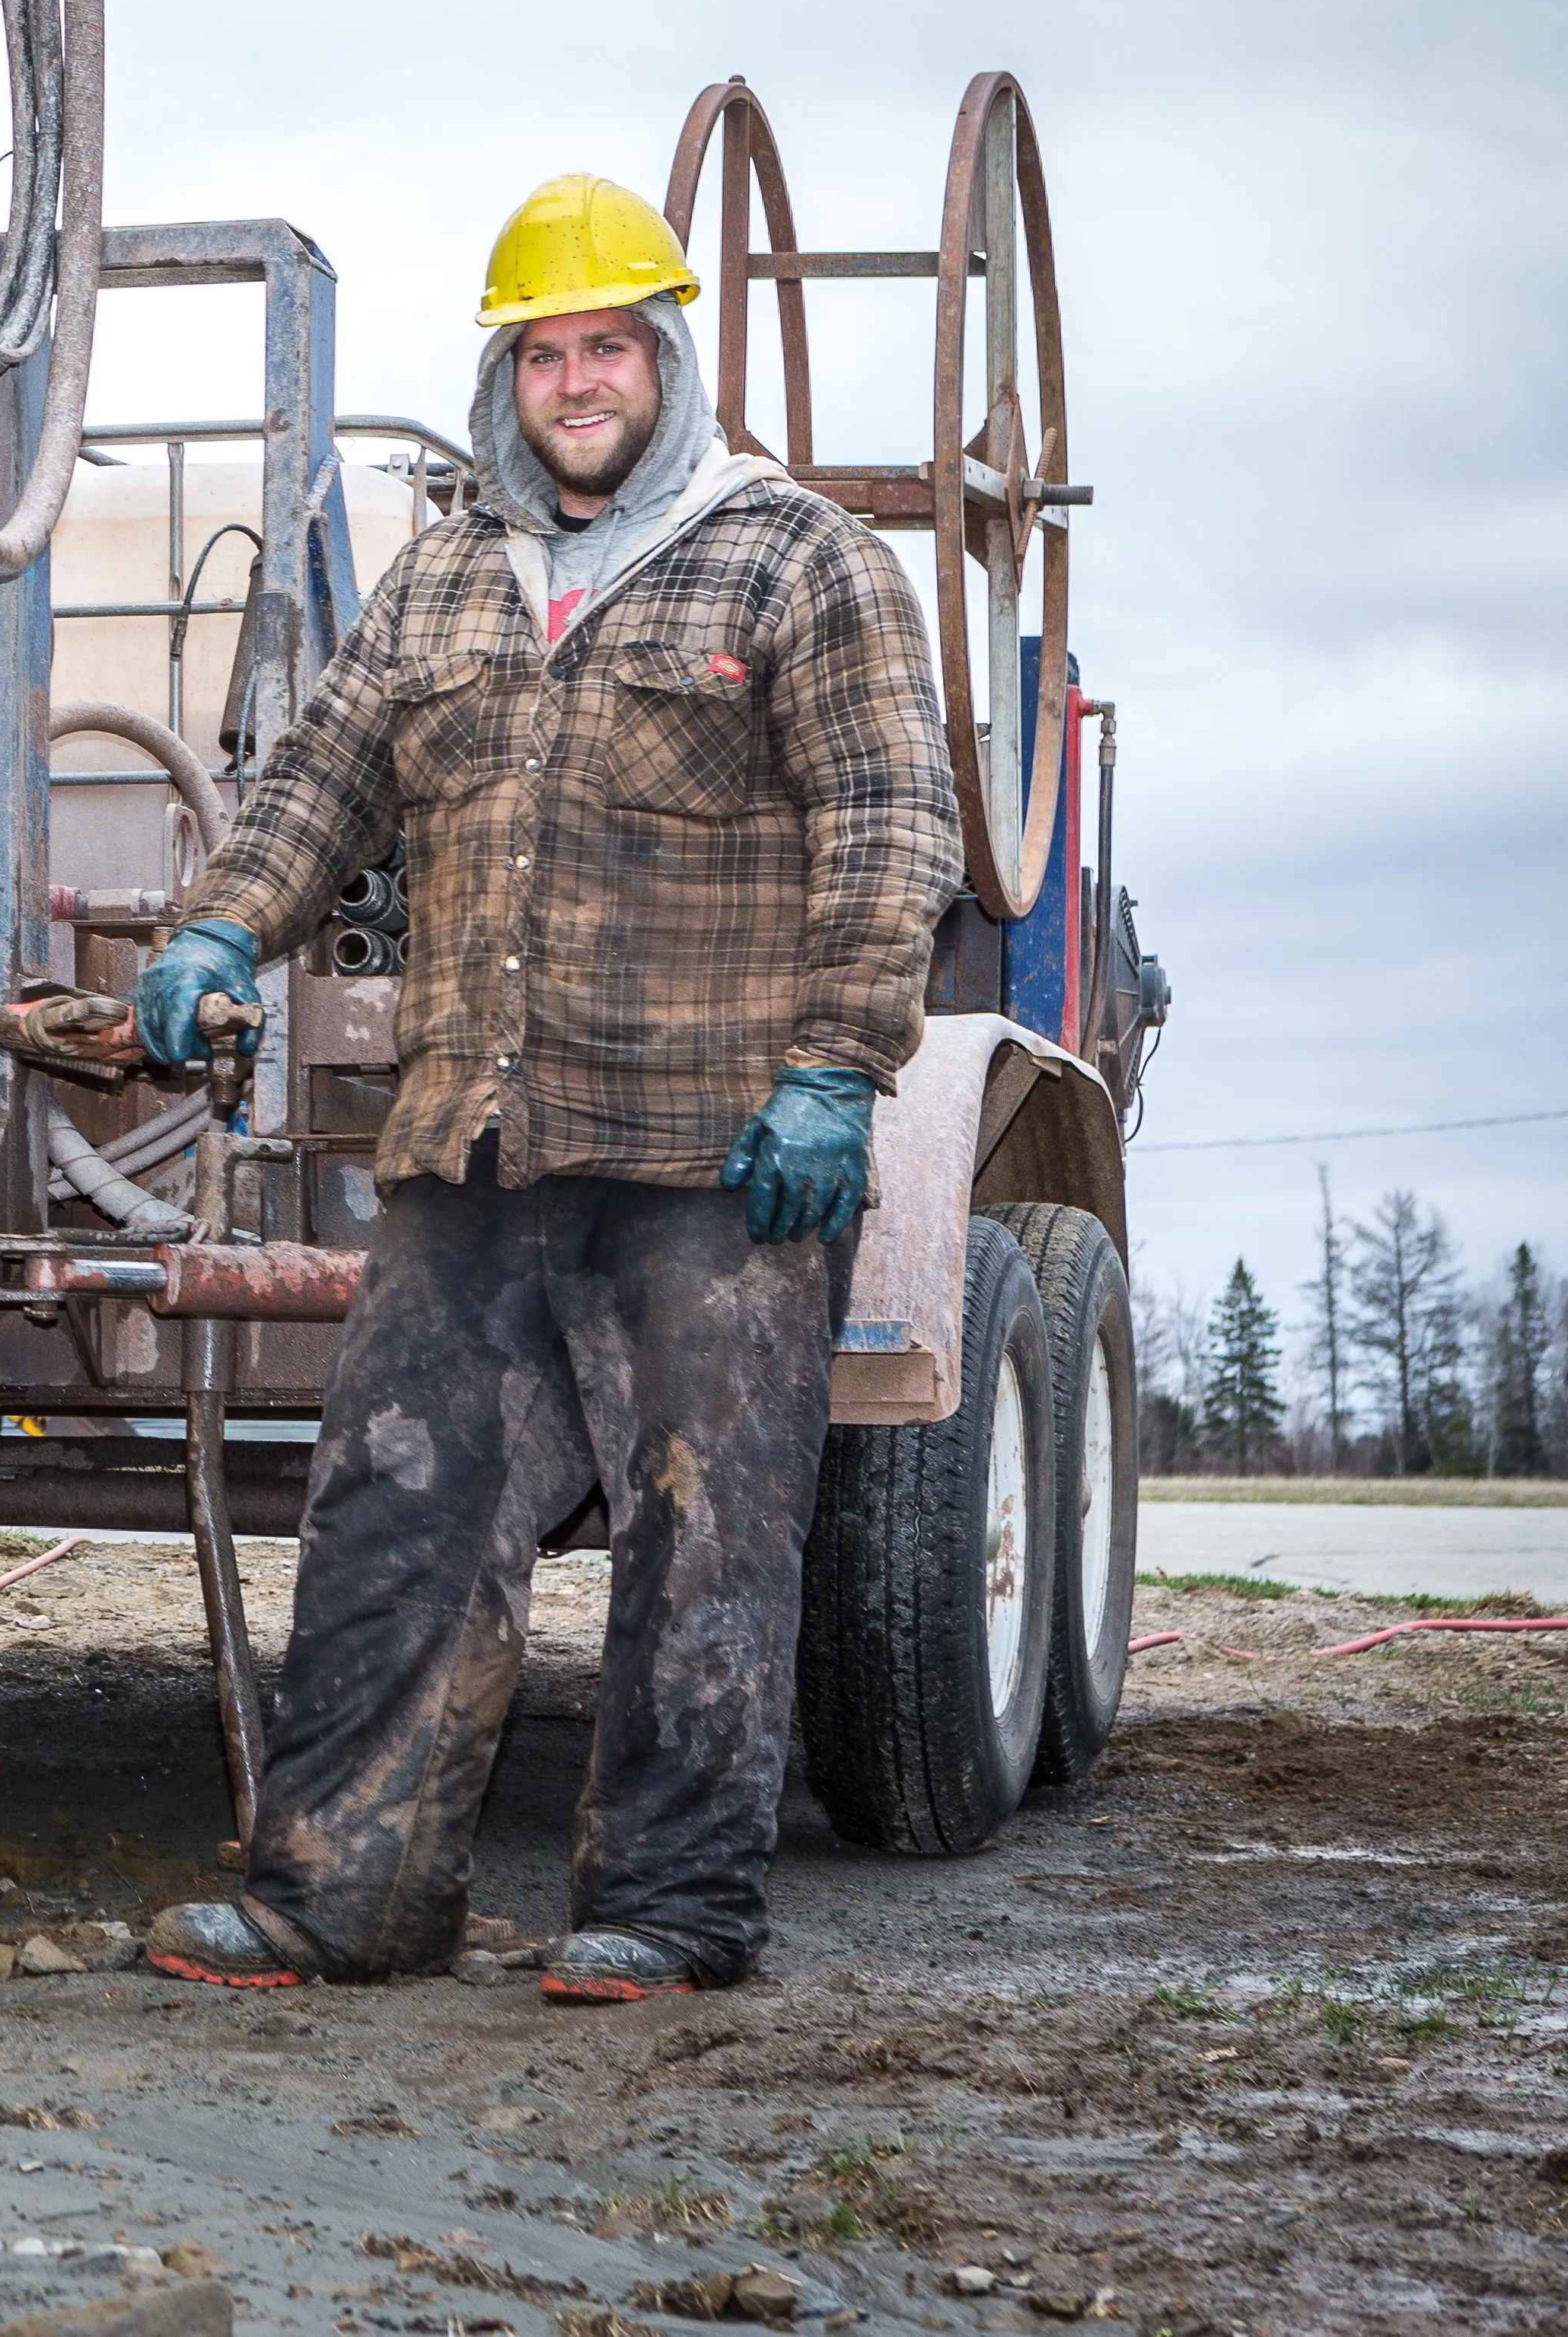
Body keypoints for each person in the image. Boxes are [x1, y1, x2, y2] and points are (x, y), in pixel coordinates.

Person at [135, 176, 960, 2003]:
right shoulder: (445, 574)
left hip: (712, 1157)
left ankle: (668, 1908)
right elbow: (320, 786)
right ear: (504, 377)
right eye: (542, 353)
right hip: (474, 1142)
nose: (575, 381)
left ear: (664, 358)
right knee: (393, 1506)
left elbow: (891, 824)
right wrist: (220, 926)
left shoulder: (798, 559)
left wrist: (836, 1067)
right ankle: (344, 1898)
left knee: (704, 1527)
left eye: (606, 347)